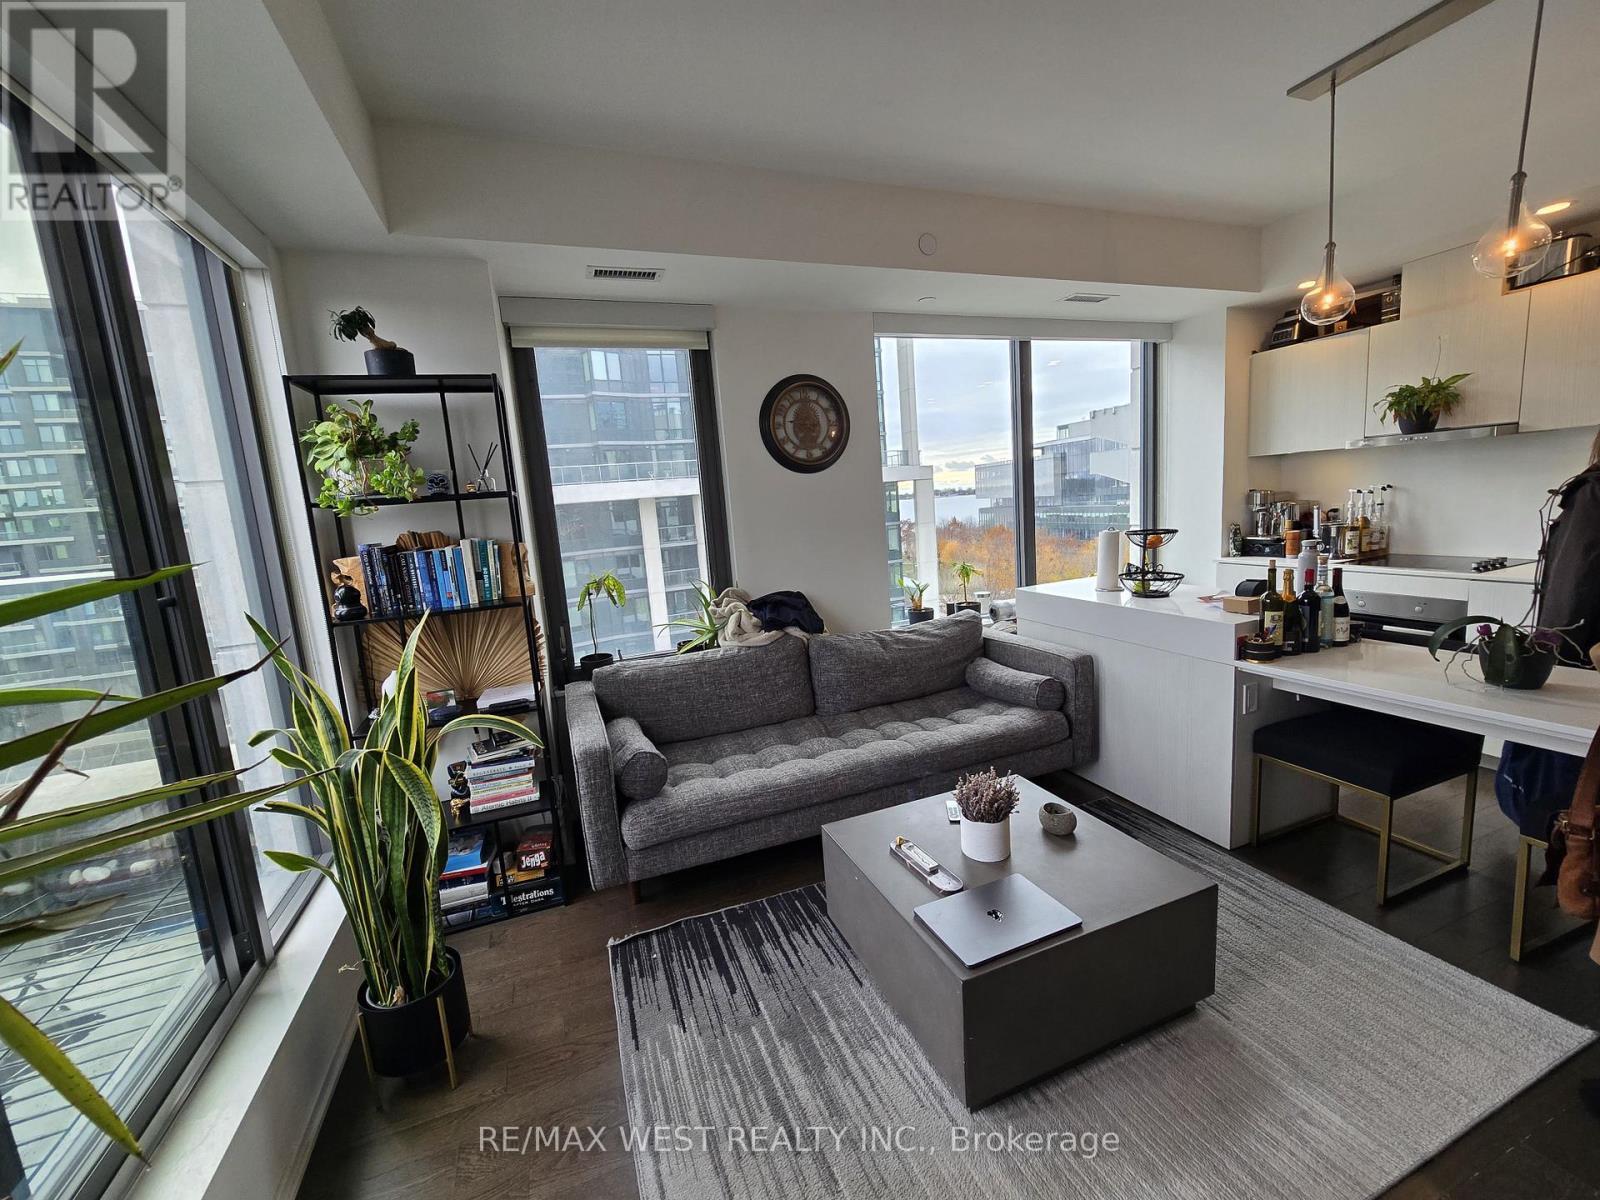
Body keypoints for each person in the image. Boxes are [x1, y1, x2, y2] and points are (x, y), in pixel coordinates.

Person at [1494, 431, 1600, 839]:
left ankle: (1569, 855)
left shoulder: (1593, 496)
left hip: (1582, 676)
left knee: (1562, 795)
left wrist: (1543, 659)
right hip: (1588, 666)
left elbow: (1569, 596)